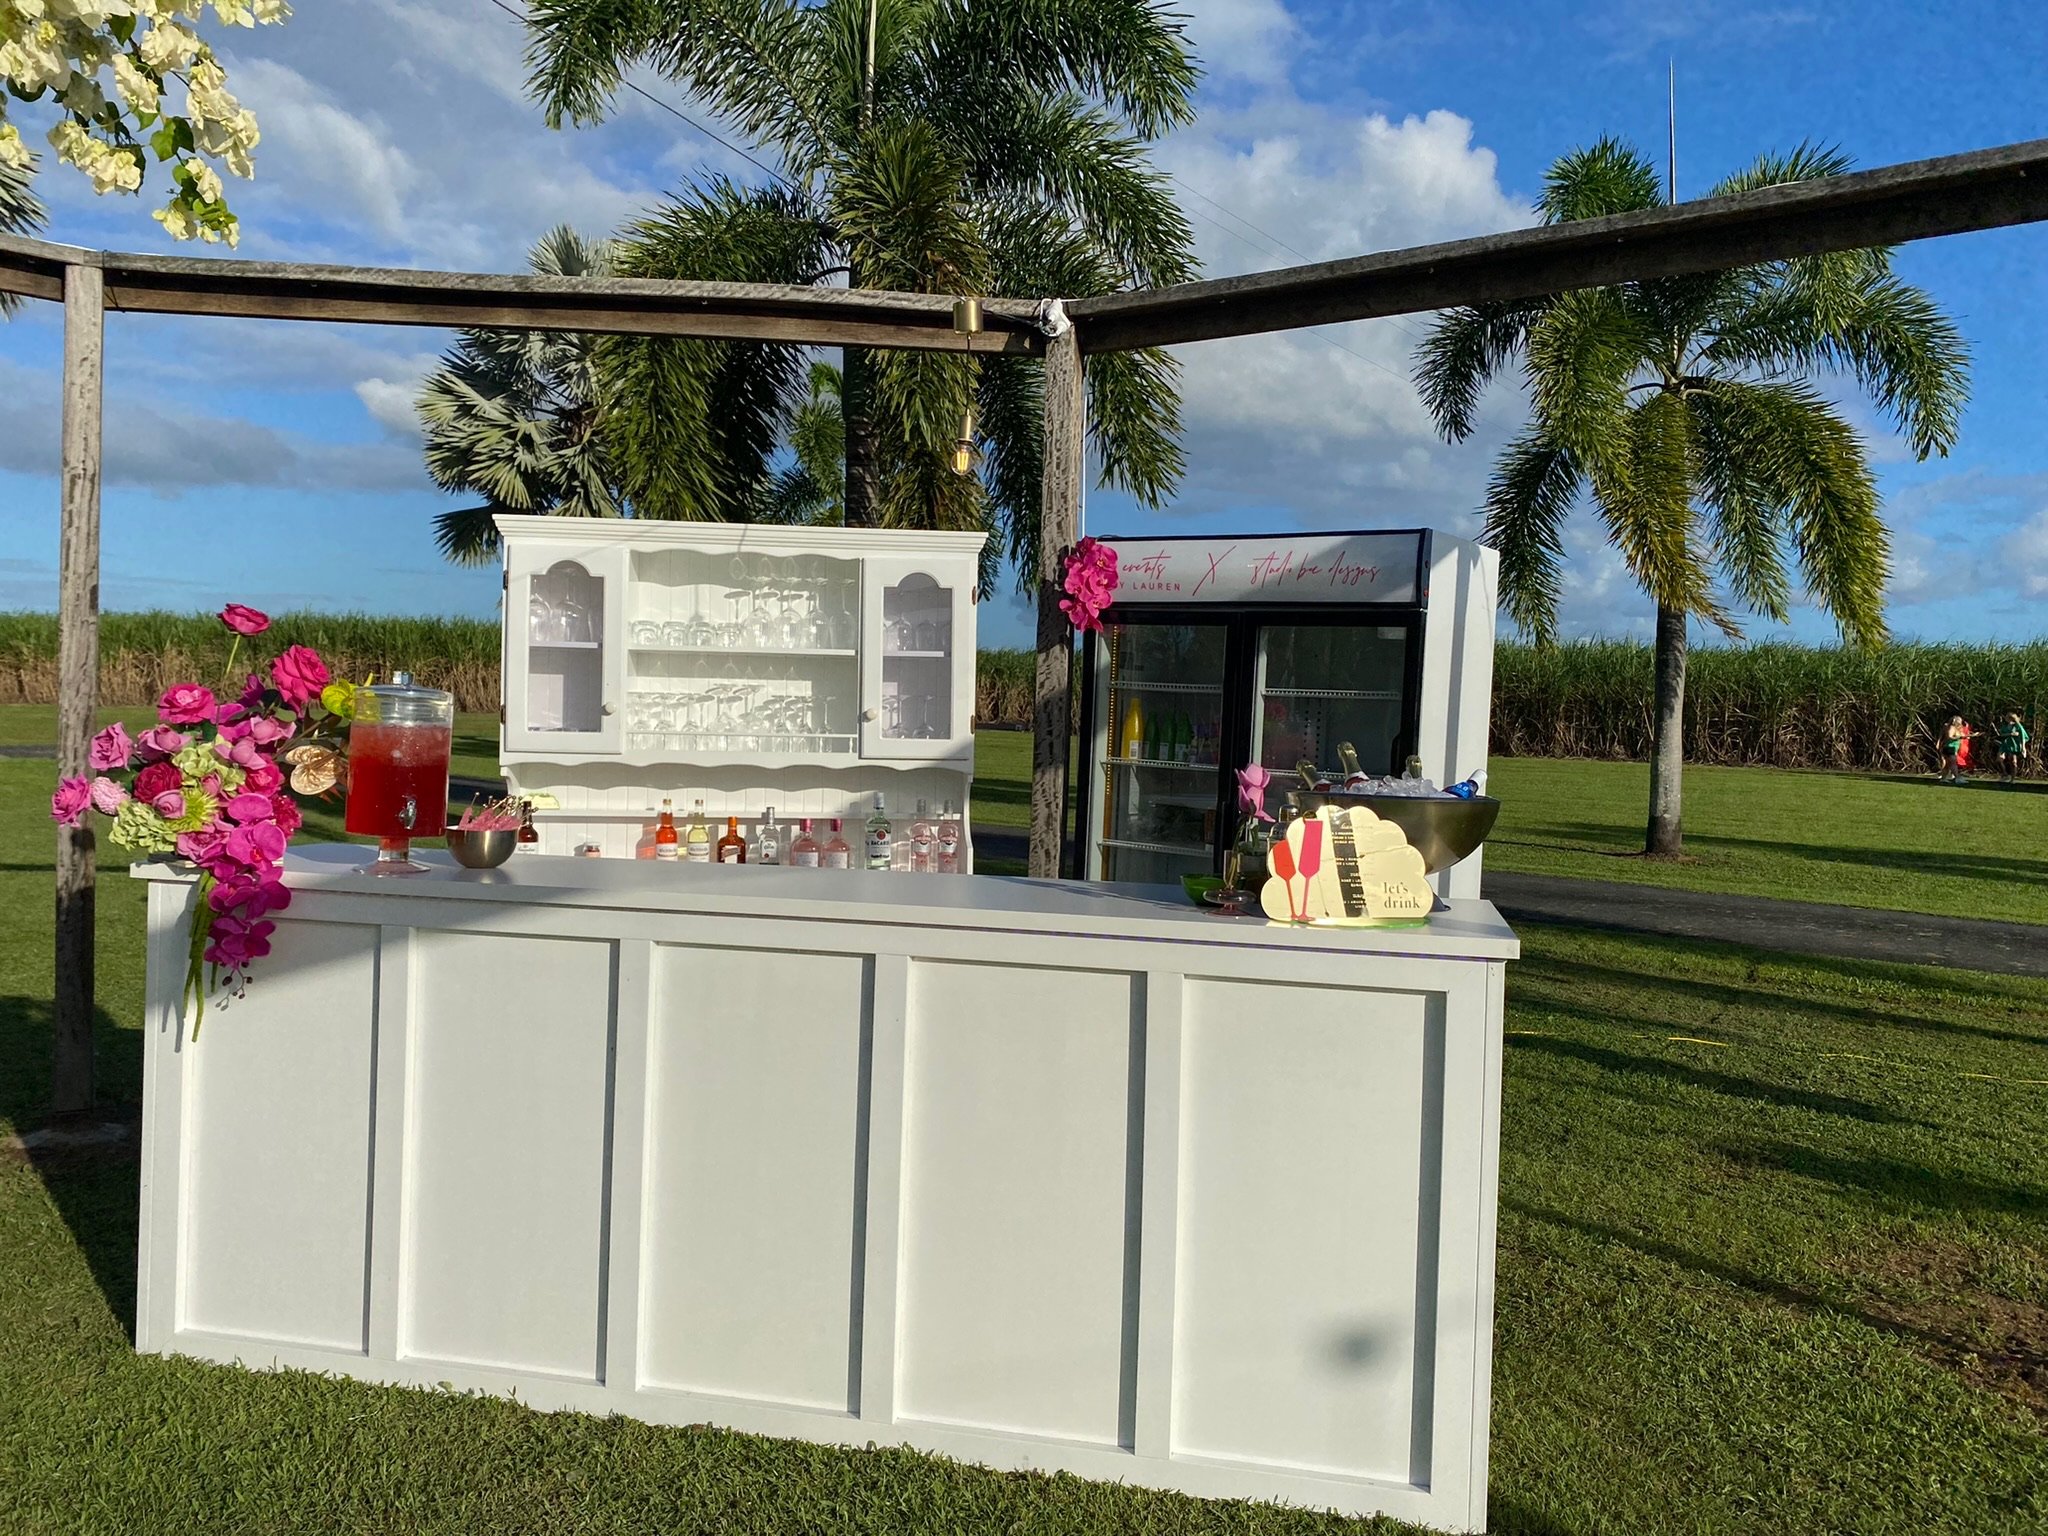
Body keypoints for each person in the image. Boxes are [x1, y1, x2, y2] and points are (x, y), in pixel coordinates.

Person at [1999, 711, 2030, 783]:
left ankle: (2012, 779)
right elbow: (2002, 734)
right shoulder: (2005, 726)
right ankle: (2005, 774)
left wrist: (2023, 747)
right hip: (2006, 745)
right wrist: (2010, 734)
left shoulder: (2017, 726)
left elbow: (2023, 736)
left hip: (2014, 745)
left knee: (2013, 762)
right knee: (2000, 759)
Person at [1939, 714, 1968, 784]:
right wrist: (1959, 737)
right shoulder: (1951, 727)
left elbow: (1963, 735)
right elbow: (1949, 737)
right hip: (1950, 747)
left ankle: (1944, 778)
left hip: (1952, 748)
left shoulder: (1957, 729)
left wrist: (1970, 735)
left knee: (1947, 765)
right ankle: (1957, 778)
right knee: (1953, 764)